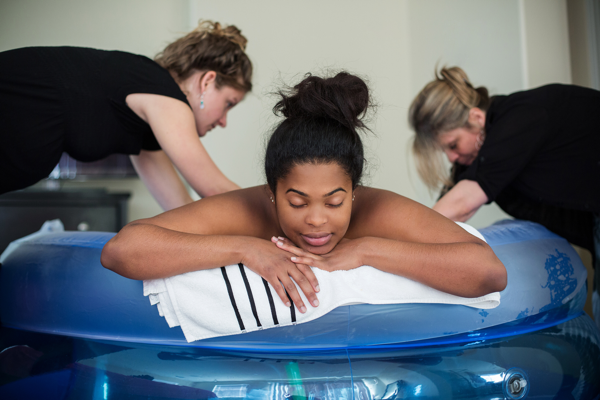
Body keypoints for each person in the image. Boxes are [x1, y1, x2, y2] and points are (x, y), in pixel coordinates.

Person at [101, 72, 506, 313]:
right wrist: (246, 248)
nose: (317, 219)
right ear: (272, 191)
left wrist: (364, 249)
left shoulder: (374, 208)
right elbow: (123, 250)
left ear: (353, 191)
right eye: (297, 201)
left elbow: (489, 272)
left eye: (334, 201)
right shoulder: (250, 209)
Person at [409, 66, 600, 327]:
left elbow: (461, 205)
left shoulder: (520, 118)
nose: (452, 158)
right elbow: (443, 210)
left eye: (453, 145)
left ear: (476, 117)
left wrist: (398, 246)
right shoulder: (479, 158)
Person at [0, 20, 252, 210]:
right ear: (207, 82)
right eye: (229, 103)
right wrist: (283, 212)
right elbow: (215, 189)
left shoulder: (148, 123)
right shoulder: (166, 98)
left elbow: (180, 207)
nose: (223, 121)